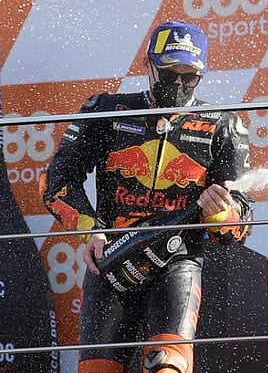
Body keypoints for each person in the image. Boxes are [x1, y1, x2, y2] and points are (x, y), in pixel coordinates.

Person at [41, 21, 252, 373]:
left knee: (168, 367)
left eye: (191, 77)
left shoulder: (223, 124)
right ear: (147, 65)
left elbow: (238, 225)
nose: (180, 84)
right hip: (110, 259)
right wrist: (90, 229)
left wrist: (221, 214)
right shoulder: (106, 111)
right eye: (170, 74)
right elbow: (55, 182)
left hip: (177, 262)